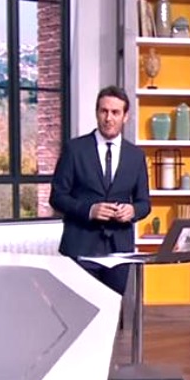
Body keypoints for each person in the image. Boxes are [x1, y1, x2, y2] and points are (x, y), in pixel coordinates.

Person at [50, 85, 151, 295]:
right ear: (97, 113)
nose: (108, 118)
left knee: (114, 310)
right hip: (81, 247)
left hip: (119, 251)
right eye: (104, 111)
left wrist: (133, 211)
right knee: (83, 310)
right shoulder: (75, 150)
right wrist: (89, 210)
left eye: (115, 112)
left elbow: (144, 203)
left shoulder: (136, 156)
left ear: (125, 116)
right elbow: (57, 197)